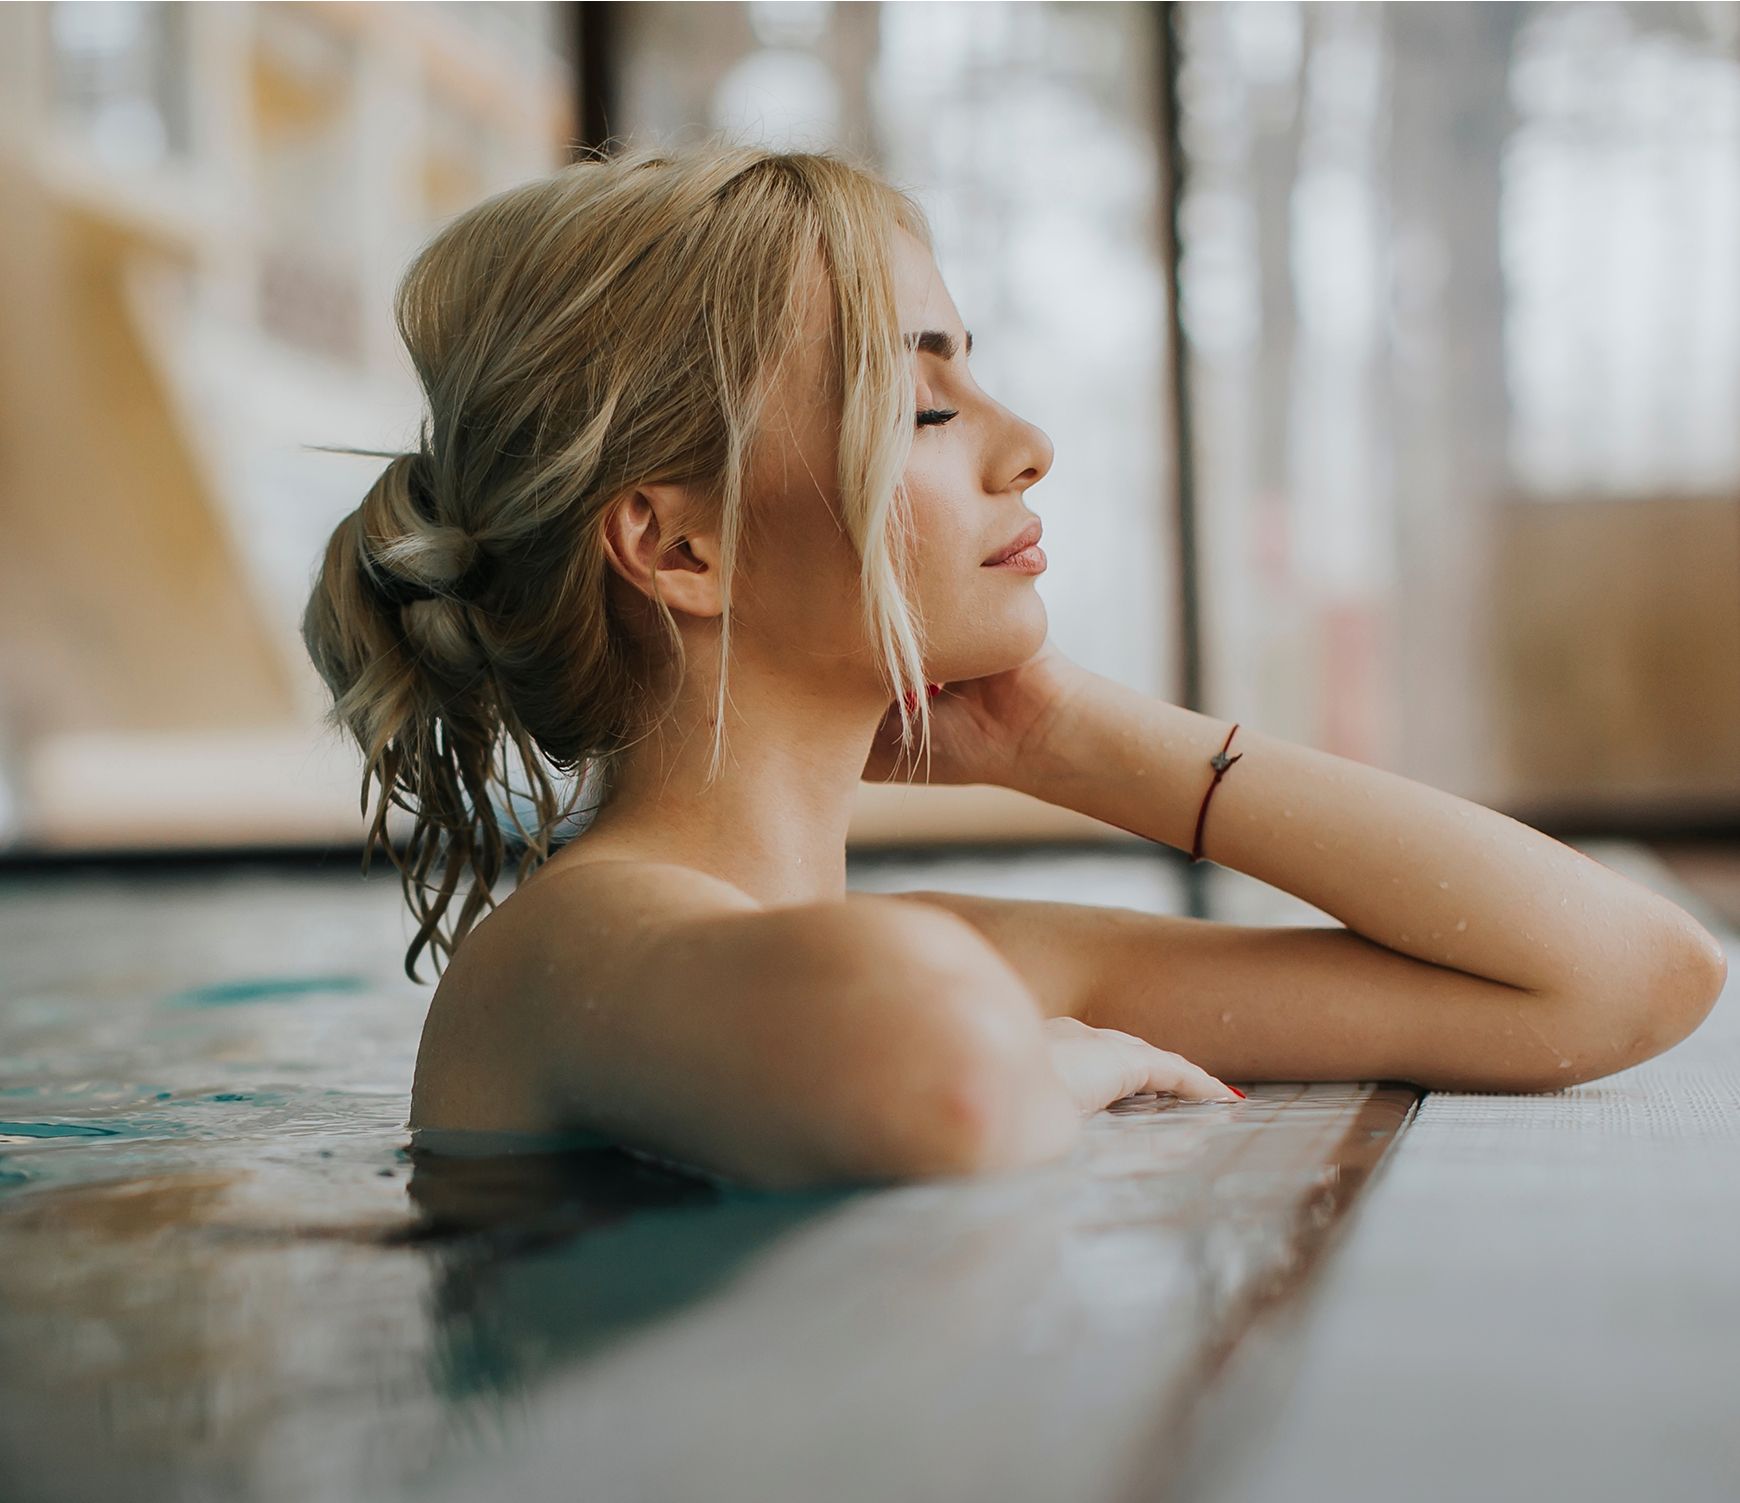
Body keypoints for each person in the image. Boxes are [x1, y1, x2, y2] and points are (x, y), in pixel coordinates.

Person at [302, 140, 1727, 1192]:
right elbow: (947, 1080)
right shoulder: (568, 949)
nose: (1025, 435)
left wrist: (1071, 738)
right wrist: (1066, 1059)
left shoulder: (938, 959)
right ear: (679, 551)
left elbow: (1624, 981)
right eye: (924, 404)